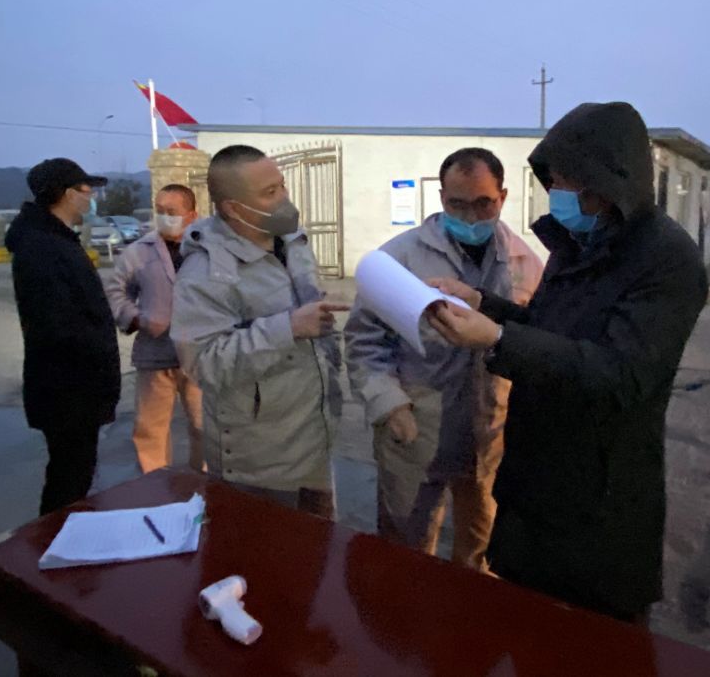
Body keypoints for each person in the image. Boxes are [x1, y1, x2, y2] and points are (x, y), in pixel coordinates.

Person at [427, 102, 708, 621]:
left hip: (599, 502)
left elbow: (621, 373)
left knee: (590, 645)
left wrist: (497, 338)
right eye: (552, 179)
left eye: (566, 180)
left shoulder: (665, 258)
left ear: (608, 177)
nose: (556, 191)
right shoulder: (579, 243)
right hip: (533, 486)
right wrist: (483, 303)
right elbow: (548, 329)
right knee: (524, 628)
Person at [345, 148, 543, 569]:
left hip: (490, 435)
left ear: (503, 197)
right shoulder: (398, 260)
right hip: (416, 429)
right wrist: (390, 405)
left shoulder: (524, 262)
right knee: (406, 549)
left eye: (483, 203)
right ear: (441, 198)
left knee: (482, 549)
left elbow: (537, 341)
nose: (470, 217)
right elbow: (363, 342)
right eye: (458, 204)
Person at [170, 145, 347, 518]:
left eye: (282, 185)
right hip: (259, 463)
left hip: (313, 442)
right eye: (270, 192)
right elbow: (203, 364)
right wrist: (289, 328)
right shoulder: (205, 273)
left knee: (318, 548)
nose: (285, 198)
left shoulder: (292, 242)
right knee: (267, 551)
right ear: (234, 208)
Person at [5, 158, 120, 516]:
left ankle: (65, 534)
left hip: (76, 385)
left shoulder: (54, 239)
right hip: (69, 388)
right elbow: (57, 324)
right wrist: (94, 361)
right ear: (68, 194)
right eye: (87, 191)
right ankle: (54, 541)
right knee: (68, 480)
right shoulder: (41, 246)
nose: (91, 198)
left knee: (75, 474)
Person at [105, 184, 203, 474]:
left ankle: (205, 483)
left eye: (171, 211)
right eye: (159, 210)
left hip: (199, 353)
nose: (164, 217)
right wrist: (136, 318)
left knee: (205, 427)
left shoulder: (207, 251)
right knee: (150, 428)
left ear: (192, 215)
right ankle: (154, 486)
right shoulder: (139, 252)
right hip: (155, 352)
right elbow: (114, 291)